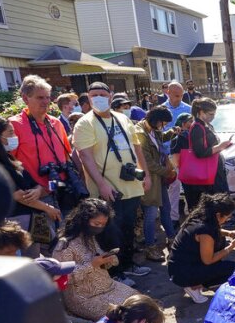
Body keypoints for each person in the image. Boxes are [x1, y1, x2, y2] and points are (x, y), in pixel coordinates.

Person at [73, 81, 152, 281]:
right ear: (88, 99)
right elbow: (85, 157)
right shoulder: (85, 123)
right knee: (110, 232)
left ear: (111, 95)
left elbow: (137, 148)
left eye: (102, 93)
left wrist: (146, 173)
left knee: (128, 228)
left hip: (131, 185)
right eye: (93, 95)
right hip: (107, 188)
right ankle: (114, 273)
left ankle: (128, 263)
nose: (98, 98)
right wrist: (101, 184)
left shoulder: (122, 119)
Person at [0, 116, 61, 255]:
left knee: (41, 257)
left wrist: (37, 191)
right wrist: (48, 208)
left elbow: (34, 184)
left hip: (33, 220)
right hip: (16, 223)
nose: (14, 136)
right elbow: (18, 195)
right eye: (10, 133)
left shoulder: (9, 158)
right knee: (28, 262)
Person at [53, 198, 139, 319]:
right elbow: (62, 279)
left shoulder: (89, 237)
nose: (99, 228)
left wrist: (107, 260)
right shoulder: (65, 244)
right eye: (96, 224)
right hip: (84, 297)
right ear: (84, 220)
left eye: (103, 225)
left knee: (140, 302)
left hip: (107, 287)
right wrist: (91, 265)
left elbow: (100, 261)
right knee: (125, 315)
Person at [9, 75, 76, 212]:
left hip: (62, 188)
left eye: (48, 97)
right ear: (25, 98)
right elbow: (9, 163)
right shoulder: (13, 125)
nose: (46, 102)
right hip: (36, 197)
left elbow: (66, 155)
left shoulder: (56, 123)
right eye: (40, 97)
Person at [167, 193, 235, 303]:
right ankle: (194, 286)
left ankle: (201, 282)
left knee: (220, 241)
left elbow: (214, 231)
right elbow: (208, 260)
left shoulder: (202, 217)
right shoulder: (205, 231)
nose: (229, 218)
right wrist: (231, 247)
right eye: (227, 216)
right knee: (234, 269)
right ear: (218, 215)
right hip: (182, 273)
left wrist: (229, 233)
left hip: (178, 267)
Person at [133, 106, 177, 261]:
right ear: (156, 120)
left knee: (166, 208)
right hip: (149, 179)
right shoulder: (140, 133)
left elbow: (158, 139)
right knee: (151, 215)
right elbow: (146, 162)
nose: (163, 126)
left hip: (159, 179)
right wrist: (167, 172)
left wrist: (171, 133)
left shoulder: (152, 129)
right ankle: (150, 248)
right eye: (163, 123)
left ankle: (172, 239)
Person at [183, 97, 232, 211]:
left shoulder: (206, 125)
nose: (213, 117)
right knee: (213, 205)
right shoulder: (197, 128)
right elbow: (200, 152)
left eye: (214, 114)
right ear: (200, 112)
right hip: (207, 174)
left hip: (213, 170)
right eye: (210, 114)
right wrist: (220, 146)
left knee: (218, 203)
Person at [162, 82, 192, 225]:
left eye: (181, 95)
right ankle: (174, 217)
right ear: (168, 92)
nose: (179, 98)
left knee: (189, 182)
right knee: (174, 185)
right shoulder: (161, 109)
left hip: (186, 153)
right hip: (168, 154)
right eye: (176, 95)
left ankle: (190, 210)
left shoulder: (188, 109)